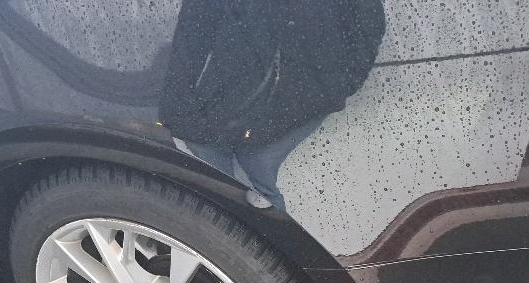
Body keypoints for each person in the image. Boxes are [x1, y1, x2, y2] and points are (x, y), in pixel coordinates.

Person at [159, 0, 385, 210]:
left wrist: (341, 83)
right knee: (216, 169)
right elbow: (192, 29)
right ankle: (229, 226)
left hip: (303, 92)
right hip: (235, 83)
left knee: (255, 165)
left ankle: (247, 230)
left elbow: (369, 21)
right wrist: (177, 100)